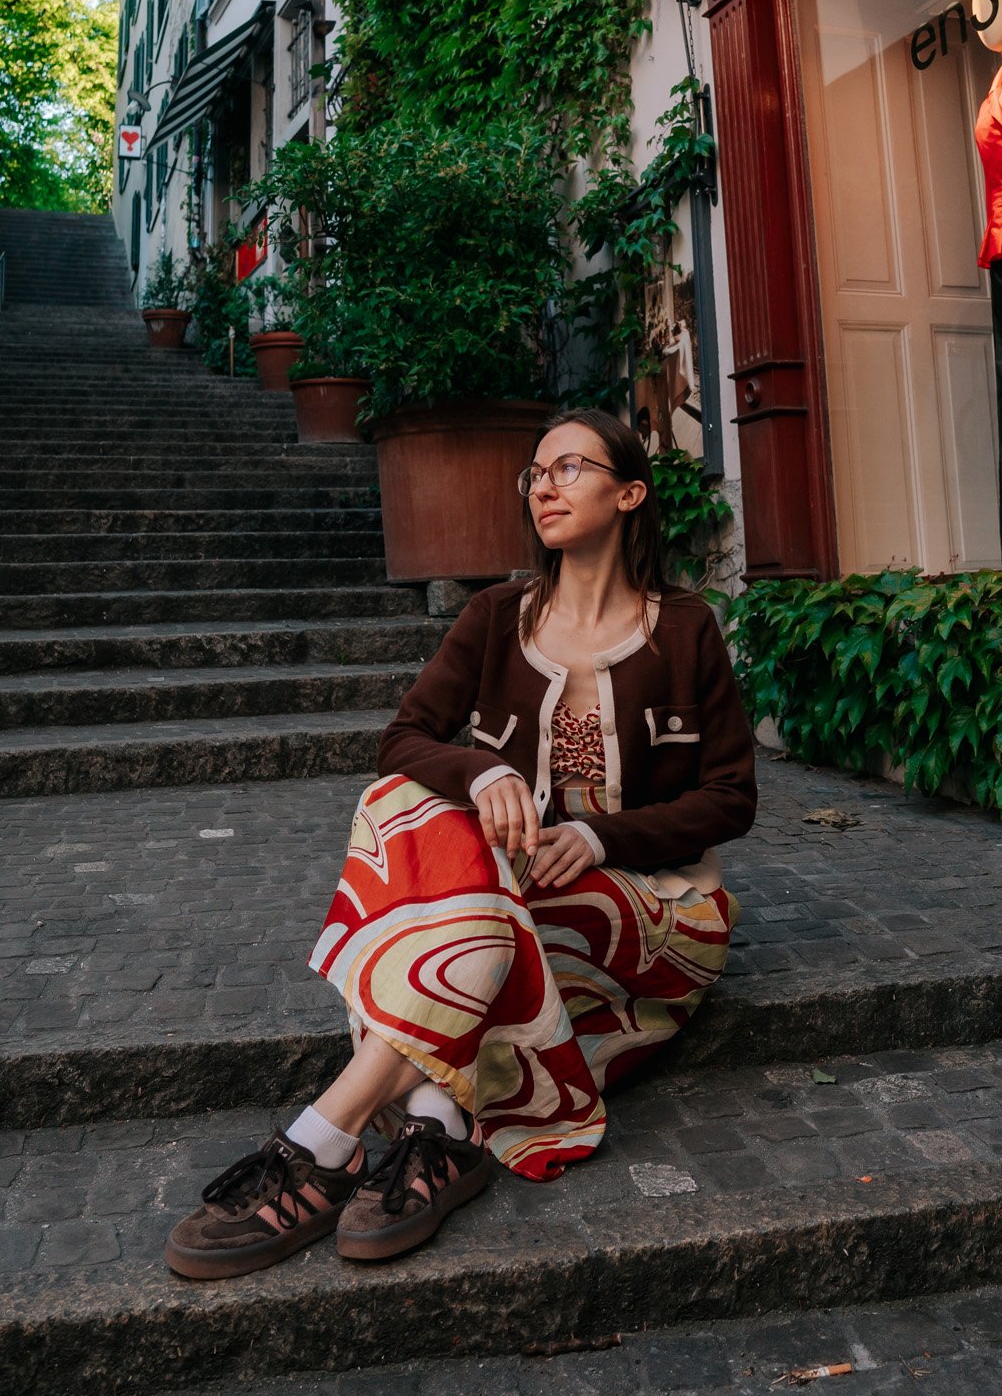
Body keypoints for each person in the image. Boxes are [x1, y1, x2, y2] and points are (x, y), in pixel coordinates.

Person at [165, 407, 757, 1279]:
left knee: (470, 914)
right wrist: (482, 773)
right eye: (535, 474)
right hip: (505, 907)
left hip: (650, 913)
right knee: (410, 808)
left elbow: (731, 798)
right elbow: (403, 741)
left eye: (568, 469)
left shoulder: (685, 628)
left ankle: (321, 1138)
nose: (542, 486)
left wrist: (597, 838)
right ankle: (439, 1138)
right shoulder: (494, 616)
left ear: (628, 493)